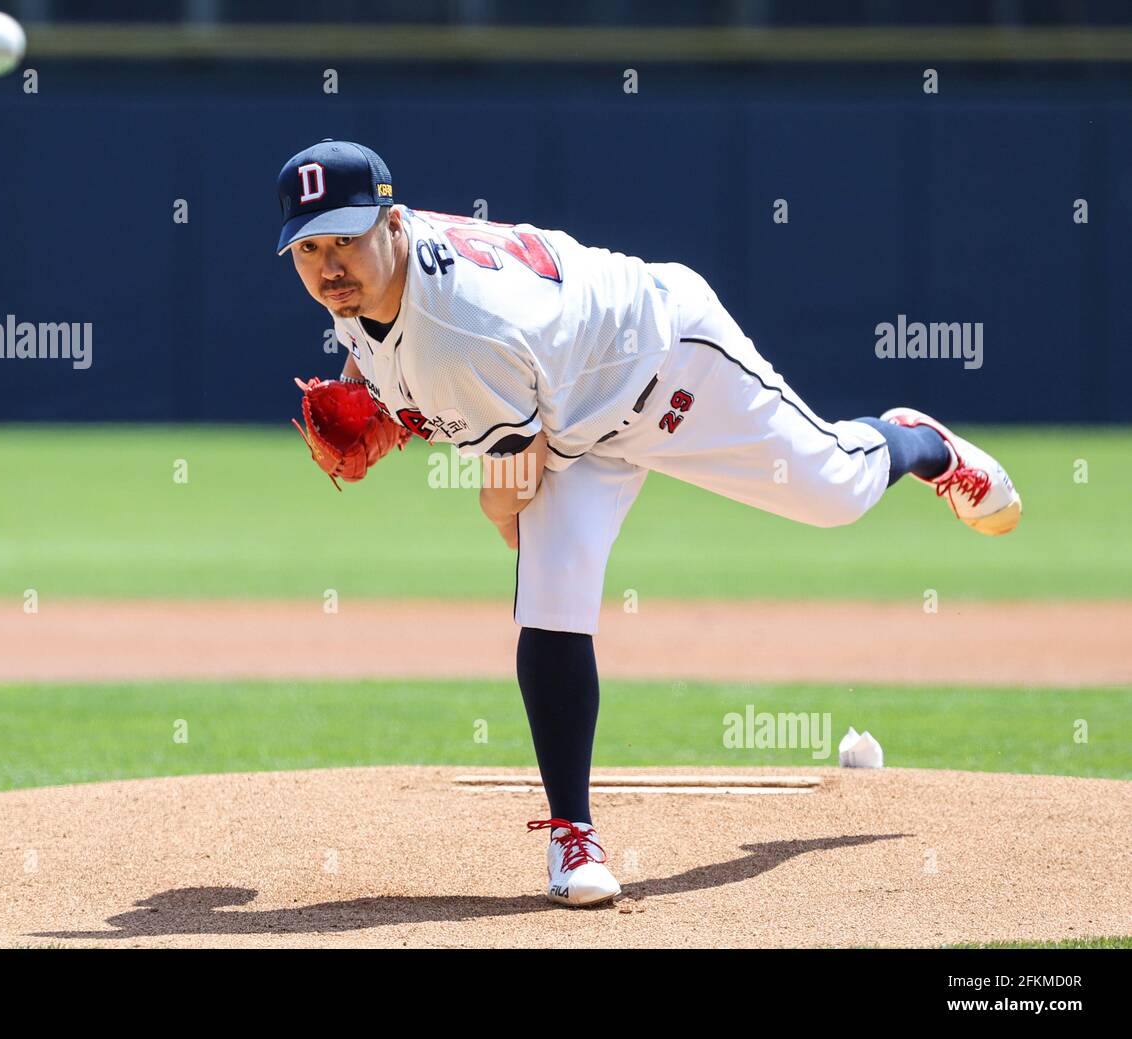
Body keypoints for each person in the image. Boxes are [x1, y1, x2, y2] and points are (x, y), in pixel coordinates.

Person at [277, 139, 1021, 908]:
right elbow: (379, 348)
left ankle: (919, 441)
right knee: (551, 600)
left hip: (670, 367)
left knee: (836, 488)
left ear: (393, 224)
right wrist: (366, 393)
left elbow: (510, 486)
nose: (330, 266)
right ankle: (574, 836)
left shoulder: (459, 338)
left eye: (345, 239)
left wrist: (444, 461)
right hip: (574, 415)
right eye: (309, 247)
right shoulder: (375, 276)